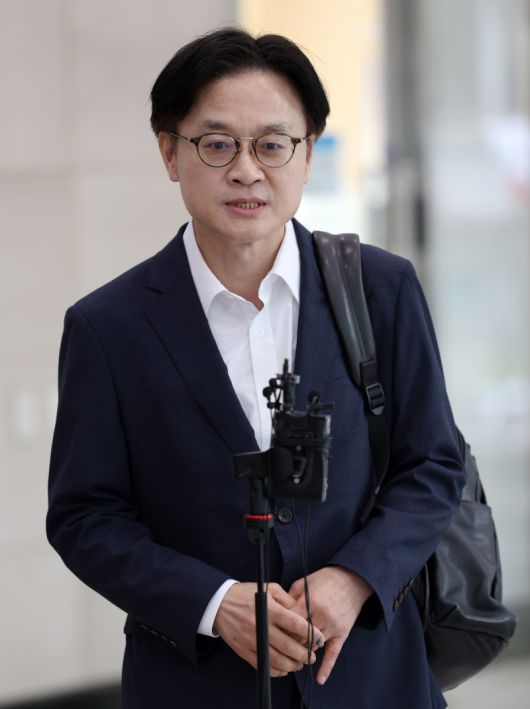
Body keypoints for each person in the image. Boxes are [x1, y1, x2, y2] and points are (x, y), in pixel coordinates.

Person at [47, 27, 465, 709]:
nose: (246, 171)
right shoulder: (108, 327)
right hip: (196, 688)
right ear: (170, 152)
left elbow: (434, 464)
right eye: (217, 144)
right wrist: (215, 603)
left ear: (308, 153)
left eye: (272, 144)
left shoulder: (381, 289)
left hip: (372, 680)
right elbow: (85, 517)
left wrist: (354, 578)